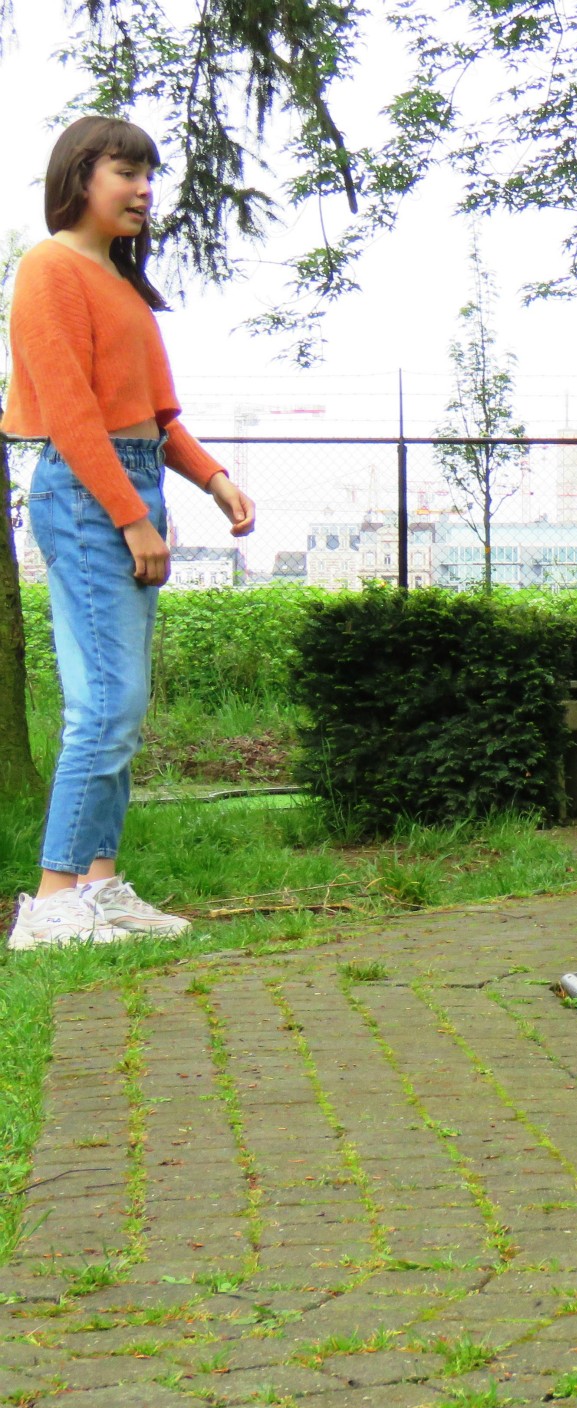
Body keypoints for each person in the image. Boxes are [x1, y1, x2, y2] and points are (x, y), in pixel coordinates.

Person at [3, 117, 256, 952]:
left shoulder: (121, 282)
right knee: (104, 706)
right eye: (127, 170)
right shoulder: (50, 268)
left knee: (121, 706)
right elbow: (72, 411)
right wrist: (130, 514)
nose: (146, 188)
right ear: (80, 175)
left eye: (152, 173)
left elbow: (154, 418)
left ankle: (100, 888)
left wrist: (214, 479)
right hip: (88, 493)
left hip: (125, 479)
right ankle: (49, 903)